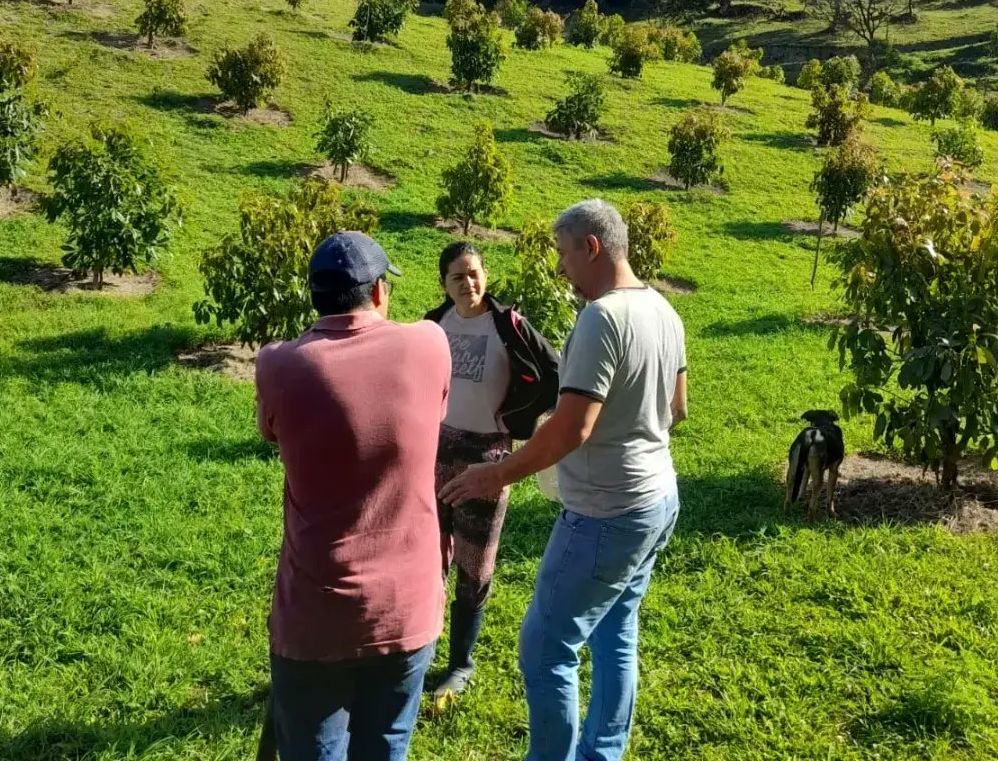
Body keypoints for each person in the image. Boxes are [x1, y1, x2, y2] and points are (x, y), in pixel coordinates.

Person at [441, 200, 687, 761]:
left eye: (563, 254)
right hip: (657, 498)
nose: (560, 268)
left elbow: (574, 428)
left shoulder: (602, 318)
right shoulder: (663, 311)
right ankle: (603, 752)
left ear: (592, 248)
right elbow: (678, 409)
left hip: (606, 511)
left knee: (546, 647)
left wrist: (495, 473)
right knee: (615, 633)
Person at [256, 231, 452, 761]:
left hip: (317, 615)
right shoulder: (430, 344)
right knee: (387, 746)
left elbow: (269, 431)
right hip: (407, 608)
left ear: (313, 297)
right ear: (380, 293)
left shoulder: (277, 364)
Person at [423, 242, 559, 702]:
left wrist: (519, 420)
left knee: (474, 564)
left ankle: (460, 663)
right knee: (425, 557)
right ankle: (420, 647)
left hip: (488, 457)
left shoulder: (510, 327)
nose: (469, 284)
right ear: (443, 282)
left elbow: (555, 374)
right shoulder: (431, 326)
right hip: (433, 452)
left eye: (476, 273)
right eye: (458, 277)